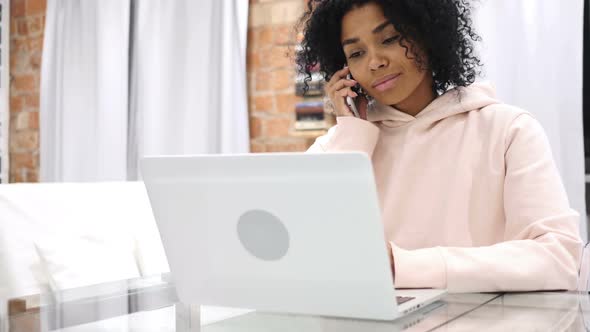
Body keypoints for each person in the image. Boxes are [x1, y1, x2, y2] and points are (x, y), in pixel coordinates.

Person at [295, 0, 582, 292]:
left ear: (427, 33)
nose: (374, 62)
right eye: (356, 53)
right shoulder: (337, 147)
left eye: (390, 38)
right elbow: (307, 257)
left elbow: (558, 258)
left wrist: (402, 266)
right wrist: (353, 136)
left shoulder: (508, 129)